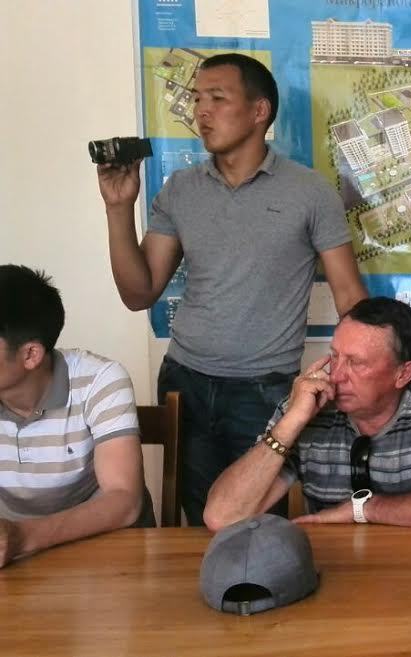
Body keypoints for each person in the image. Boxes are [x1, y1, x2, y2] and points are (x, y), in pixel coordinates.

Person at [96, 53, 367, 526]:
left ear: (259, 111)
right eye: (197, 99)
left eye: (217, 98)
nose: (202, 111)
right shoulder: (180, 190)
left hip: (265, 390)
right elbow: (139, 294)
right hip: (185, 382)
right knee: (199, 522)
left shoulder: (309, 192)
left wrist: (372, 369)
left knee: (258, 524)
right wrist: (118, 209)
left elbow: (349, 296)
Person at [203, 297, 411, 531]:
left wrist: (362, 509)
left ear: (403, 373)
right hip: (330, 563)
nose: (336, 376)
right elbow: (222, 517)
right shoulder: (308, 402)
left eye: (356, 363)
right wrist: (290, 423)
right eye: (335, 356)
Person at [0, 265, 152, 568]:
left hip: (103, 551)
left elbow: (124, 501)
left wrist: (22, 537)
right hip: (14, 563)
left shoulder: (99, 380)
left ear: (30, 355)